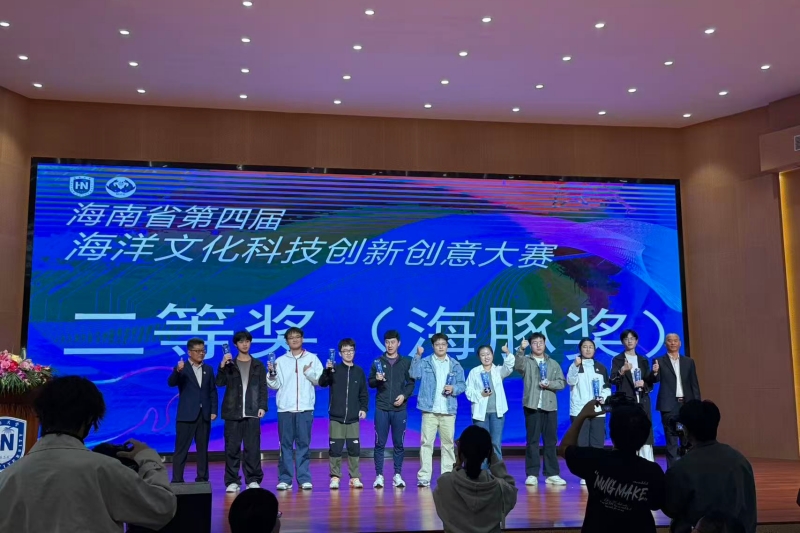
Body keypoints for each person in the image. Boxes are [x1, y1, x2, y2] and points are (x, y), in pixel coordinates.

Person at [0, 376, 176, 532]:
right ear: (91, 419)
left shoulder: (7, 478)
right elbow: (161, 508)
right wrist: (148, 458)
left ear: (40, 415)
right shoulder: (105, 469)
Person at [560, 400, 666, 533]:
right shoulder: (652, 471)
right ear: (645, 436)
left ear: (611, 433)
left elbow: (564, 448)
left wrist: (582, 415)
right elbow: (656, 504)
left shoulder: (594, 459)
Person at [663, 400, 756, 533]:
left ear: (685, 430)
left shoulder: (680, 468)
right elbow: (750, 510)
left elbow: (670, 508)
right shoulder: (741, 461)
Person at [267, 326, 324, 491]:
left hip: (305, 409)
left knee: (303, 445)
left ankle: (304, 478)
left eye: (297, 336)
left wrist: (309, 373)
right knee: (285, 445)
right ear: (286, 341)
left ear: (302, 339)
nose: (294, 339)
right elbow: (274, 385)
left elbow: (320, 381)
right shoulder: (280, 361)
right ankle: (285, 479)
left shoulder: (312, 358)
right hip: (285, 409)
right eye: (291, 337)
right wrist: (271, 374)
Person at [433, 425, 518, 533]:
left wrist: (458, 463)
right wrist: (493, 458)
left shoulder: (444, 485)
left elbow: (452, 482)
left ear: (461, 452)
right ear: (488, 452)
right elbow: (511, 489)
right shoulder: (500, 488)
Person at [410, 332, 466, 487]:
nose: (440, 347)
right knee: (426, 443)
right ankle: (424, 477)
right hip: (429, 410)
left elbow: (462, 385)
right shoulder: (425, 362)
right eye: (437, 344)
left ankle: (447, 476)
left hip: (448, 410)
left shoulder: (455, 364)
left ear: (447, 346)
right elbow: (413, 374)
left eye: (443, 344)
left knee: (448, 444)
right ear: (433, 346)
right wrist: (417, 356)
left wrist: (453, 389)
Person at [216, 330, 268, 493]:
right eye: (241, 342)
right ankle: (232, 481)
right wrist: (222, 366)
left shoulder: (258, 365)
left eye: (247, 341)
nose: (245, 344)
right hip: (233, 412)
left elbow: (263, 388)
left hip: (252, 412)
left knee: (252, 448)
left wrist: (262, 406)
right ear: (235, 344)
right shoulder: (230, 364)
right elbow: (219, 383)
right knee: (232, 448)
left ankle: (253, 479)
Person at [515, 332, 567, 486]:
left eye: (541, 342)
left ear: (545, 344)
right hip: (532, 405)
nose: (538, 345)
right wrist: (521, 349)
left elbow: (562, 383)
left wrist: (549, 384)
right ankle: (532, 474)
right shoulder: (526, 361)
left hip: (550, 406)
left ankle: (552, 474)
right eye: (535, 343)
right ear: (530, 345)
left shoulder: (553, 363)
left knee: (550, 441)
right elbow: (517, 366)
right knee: (532, 441)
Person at [318, 338, 368, 490]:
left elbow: (363, 393)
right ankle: (335, 477)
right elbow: (322, 383)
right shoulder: (334, 370)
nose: (348, 353)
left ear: (354, 352)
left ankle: (354, 477)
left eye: (351, 350)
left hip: (353, 418)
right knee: (336, 449)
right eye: (345, 351)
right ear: (340, 353)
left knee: (354, 449)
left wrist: (364, 408)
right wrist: (327, 370)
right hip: (336, 417)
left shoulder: (359, 372)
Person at [368, 329, 415, 489]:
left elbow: (411, 383)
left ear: (398, 343)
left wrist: (404, 396)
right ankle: (379, 476)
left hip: (400, 409)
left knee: (399, 444)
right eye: (387, 342)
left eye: (393, 342)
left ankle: (397, 475)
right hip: (382, 408)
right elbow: (370, 383)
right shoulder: (377, 362)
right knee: (379, 444)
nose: (390, 345)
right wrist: (377, 379)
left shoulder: (406, 362)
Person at [168, 337, 218, 483]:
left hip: (204, 415)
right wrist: (177, 370)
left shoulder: (208, 369)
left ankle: (202, 478)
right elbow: (171, 383)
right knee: (181, 449)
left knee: (202, 449)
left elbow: (212, 391)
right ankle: (177, 479)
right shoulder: (182, 368)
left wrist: (213, 410)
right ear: (189, 352)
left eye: (203, 350)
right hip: (186, 415)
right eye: (197, 351)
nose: (201, 353)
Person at [566, 338, 612, 485]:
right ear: (580, 349)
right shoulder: (575, 366)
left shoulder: (600, 367)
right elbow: (570, 381)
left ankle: (597, 472)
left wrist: (603, 397)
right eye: (585, 347)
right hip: (580, 410)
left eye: (590, 347)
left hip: (598, 410)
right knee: (582, 443)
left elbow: (607, 387)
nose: (587, 349)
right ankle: (585, 474)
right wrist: (575, 365)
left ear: (594, 349)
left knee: (597, 443)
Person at [652, 333, 701, 469]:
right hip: (668, 405)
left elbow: (694, 384)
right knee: (671, 441)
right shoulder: (659, 361)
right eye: (669, 341)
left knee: (688, 439)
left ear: (680, 343)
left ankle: (689, 469)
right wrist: (654, 372)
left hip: (686, 404)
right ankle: (673, 472)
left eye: (675, 340)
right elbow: (655, 380)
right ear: (665, 344)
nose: (673, 343)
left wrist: (697, 405)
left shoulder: (689, 362)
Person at [609, 329, 659, 461]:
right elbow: (613, 380)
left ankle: (647, 465)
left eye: (632, 338)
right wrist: (622, 370)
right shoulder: (618, 359)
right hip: (627, 402)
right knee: (627, 433)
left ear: (636, 341)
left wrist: (653, 375)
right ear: (622, 342)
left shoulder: (643, 360)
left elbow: (649, 382)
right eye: (626, 339)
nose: (629, 341)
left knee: (645, 432)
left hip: (642, 400)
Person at [464, 343, 515, 459]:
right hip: (480, 414)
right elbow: (468, 391)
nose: (486, 357)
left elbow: (509, 367)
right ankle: (482, 469)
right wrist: (480, 394)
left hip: (497, 413)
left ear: (492, 355)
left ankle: (497, 469)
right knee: (481, 444)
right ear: (479, 357)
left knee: (495, 443)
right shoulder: (474, 372)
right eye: (483, 355)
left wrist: (507, 352)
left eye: (488, 354)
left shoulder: (498, 370)